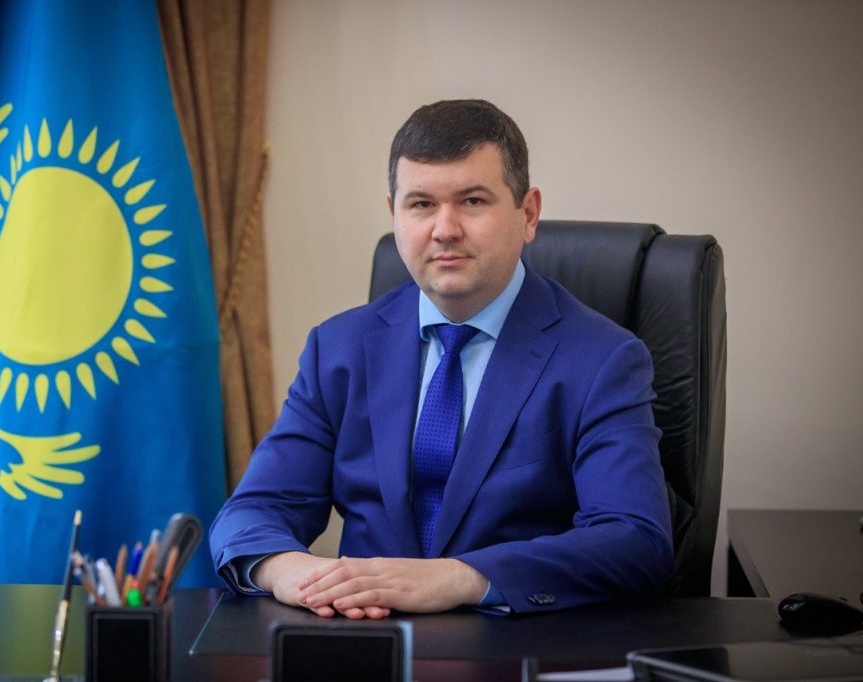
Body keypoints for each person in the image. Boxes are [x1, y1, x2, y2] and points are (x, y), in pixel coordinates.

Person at [209, 99, 673, 619]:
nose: (445, 229)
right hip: (367, 639)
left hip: (515, 644)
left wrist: (460, 578)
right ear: (395, 214)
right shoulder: (337, 349)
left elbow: (635, 540)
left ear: (528, 214)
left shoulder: (601, 359)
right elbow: (252, 512)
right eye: (422, 204)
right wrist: (292, 574)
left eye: (472, 201)